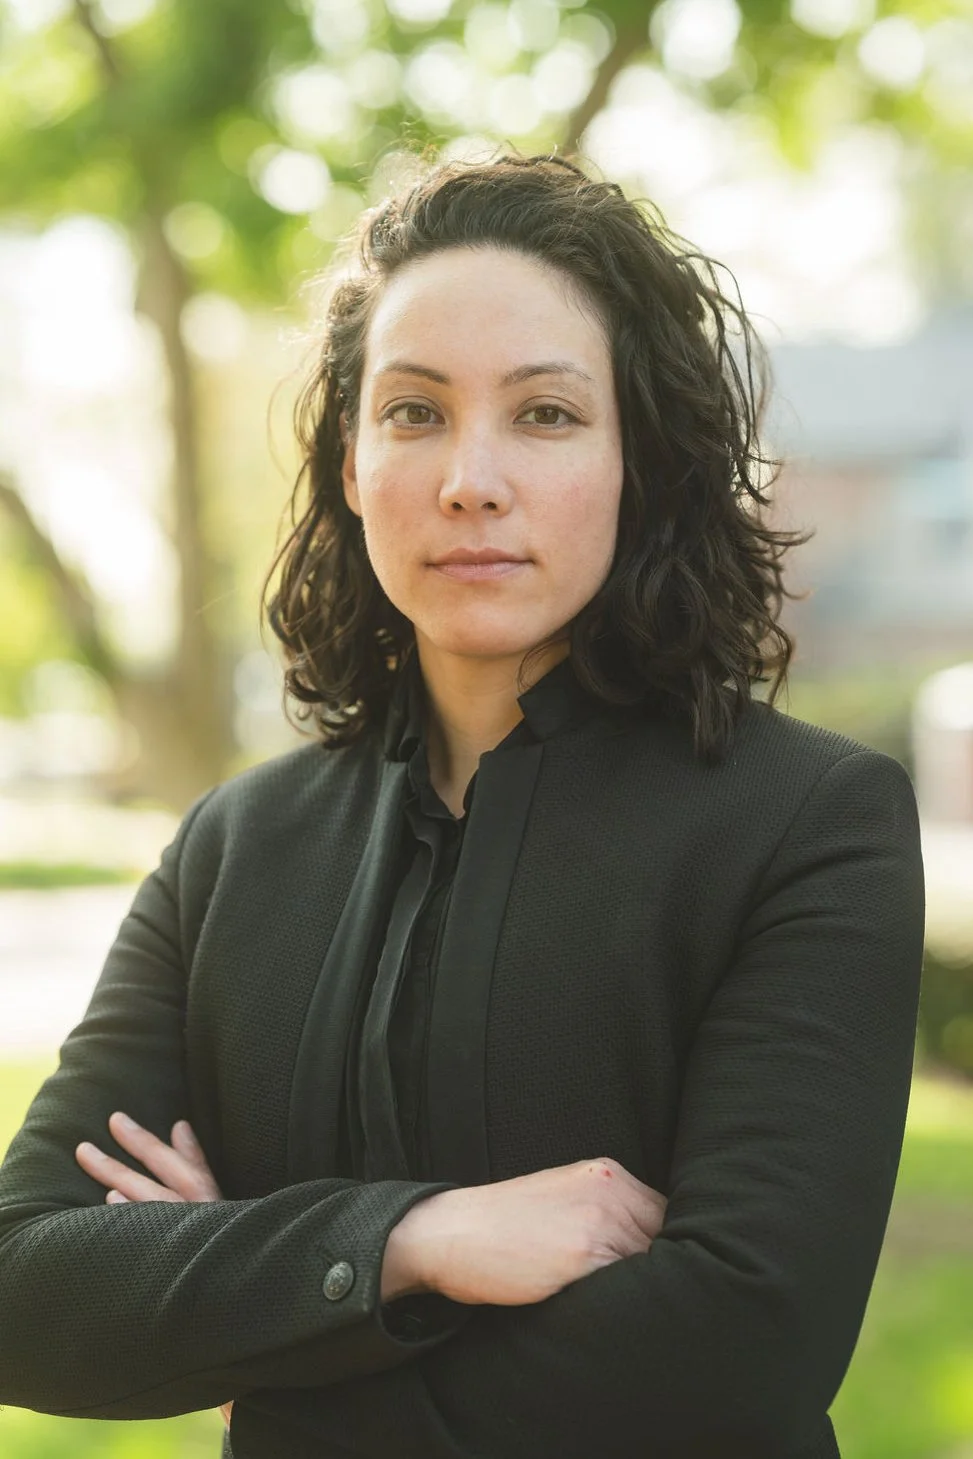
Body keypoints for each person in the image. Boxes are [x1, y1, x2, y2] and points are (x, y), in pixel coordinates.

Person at [0, 150, 925, 1459]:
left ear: (637, 460)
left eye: (544, 414)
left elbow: (742, 1346)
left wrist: (255, 1320)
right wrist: (413, 1243)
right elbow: (27, 1285)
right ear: (348, 464)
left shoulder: (807, 824)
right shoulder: (233, 850)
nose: (468, 478)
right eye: (415, 411)